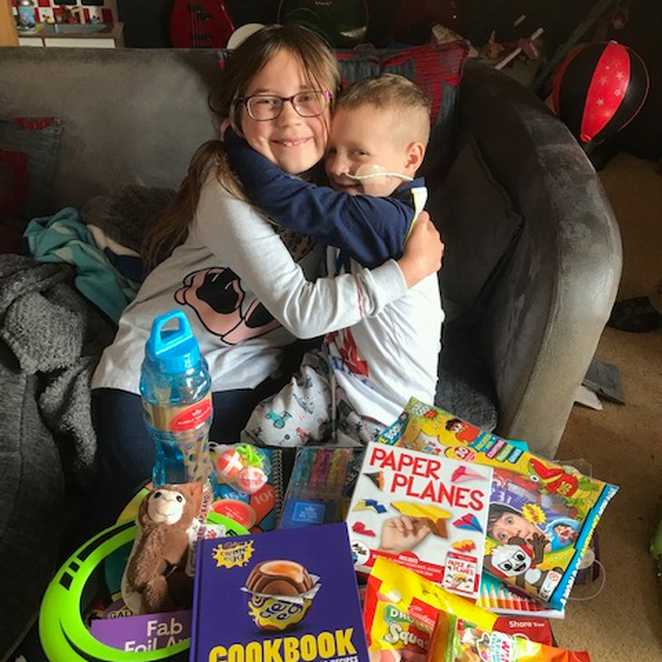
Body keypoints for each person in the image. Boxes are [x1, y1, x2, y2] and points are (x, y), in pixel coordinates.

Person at [90, 25, 443, 523]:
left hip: (249, 375)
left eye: (306, 99)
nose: (291, 118)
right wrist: (409, 271)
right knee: (145, 509)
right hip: (154, 369)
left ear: (331, 105)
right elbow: (303, 312)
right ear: (235, 114)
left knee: (243, 510)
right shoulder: (224, 181)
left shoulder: (341, 180)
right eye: (265, 102)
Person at [224, 74, 443, 446]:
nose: (338, 168)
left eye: (359, 153)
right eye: (332, 150)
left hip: (388, 409)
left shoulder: (387, 220)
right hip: (331, 370)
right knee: (265, 429)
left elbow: (285, 198)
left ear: (410, 158)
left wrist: (232, 138)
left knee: (352, 487)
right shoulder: (359, 197)